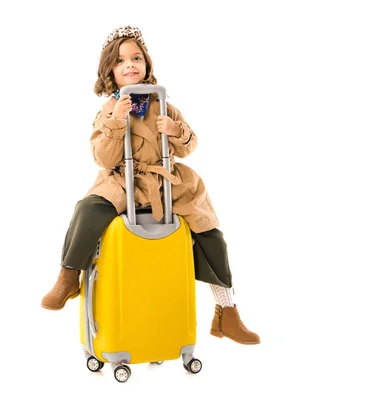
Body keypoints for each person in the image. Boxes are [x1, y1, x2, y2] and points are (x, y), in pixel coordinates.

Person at [41, 26, 260, 345]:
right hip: (123, 181)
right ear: (111, 73)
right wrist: (116, 121)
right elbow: (102, 157)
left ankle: (226, 311)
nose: (129, 64)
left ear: (146, 64)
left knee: (209, 232)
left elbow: (189, 145)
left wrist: (175, 131)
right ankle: (68, 275)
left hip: (166, 182)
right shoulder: (108, 110)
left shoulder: (163, 103)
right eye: (120, 61)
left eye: (136, 58)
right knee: (88, 208)